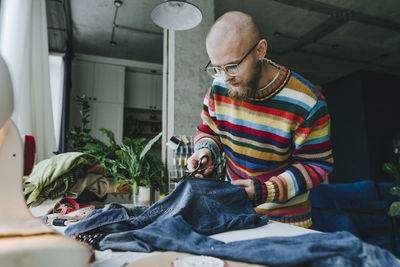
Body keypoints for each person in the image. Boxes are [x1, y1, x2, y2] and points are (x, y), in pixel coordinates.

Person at [187, 11, 333, 229]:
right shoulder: (219, 88)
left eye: (232, 66)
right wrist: (205, 150)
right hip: (235, 213)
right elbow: (210, 130)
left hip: (289, 222)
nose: (225, 77)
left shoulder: (307, 102)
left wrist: (267, 191)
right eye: (217, 68)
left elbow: (315, 165)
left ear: (260, 50)